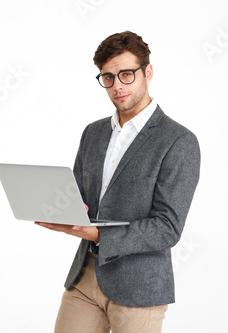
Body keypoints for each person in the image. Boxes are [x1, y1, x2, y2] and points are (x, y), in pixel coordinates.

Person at [35, 31, 201, 333]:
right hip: (84, 278)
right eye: (108, 77)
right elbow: (79, 195)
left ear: (147, 72)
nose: (117, 85)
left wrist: (99, 235)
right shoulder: (93, 133)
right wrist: (60, 207)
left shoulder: (178, 141)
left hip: (139, 287)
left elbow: (168, 228)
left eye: (126, 74)